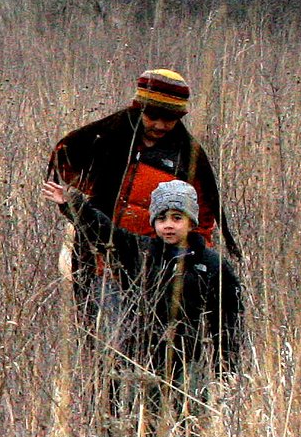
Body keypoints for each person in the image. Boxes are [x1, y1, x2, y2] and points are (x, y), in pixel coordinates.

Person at [42, 177, 245, 417]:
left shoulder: (212, 265)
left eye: (177, 218)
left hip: (189, 361)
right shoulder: (140, 252)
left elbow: (228, 321)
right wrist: (74, 204)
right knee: (141, 421)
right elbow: (103, 232)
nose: (168, 225)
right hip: (141, 359)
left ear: (192, 221)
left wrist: (226, 370)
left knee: (189, 422)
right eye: (161, 218)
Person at [47, 69, 240, 318]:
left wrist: (196, 264)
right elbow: (66, 163)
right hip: (103, 266)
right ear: (138, 109)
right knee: (104, 335)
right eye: (152, 116)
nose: (160, 125)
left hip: (157, 271)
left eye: (169, 119)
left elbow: (202, 219)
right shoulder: (107, 138)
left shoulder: (188, 156)